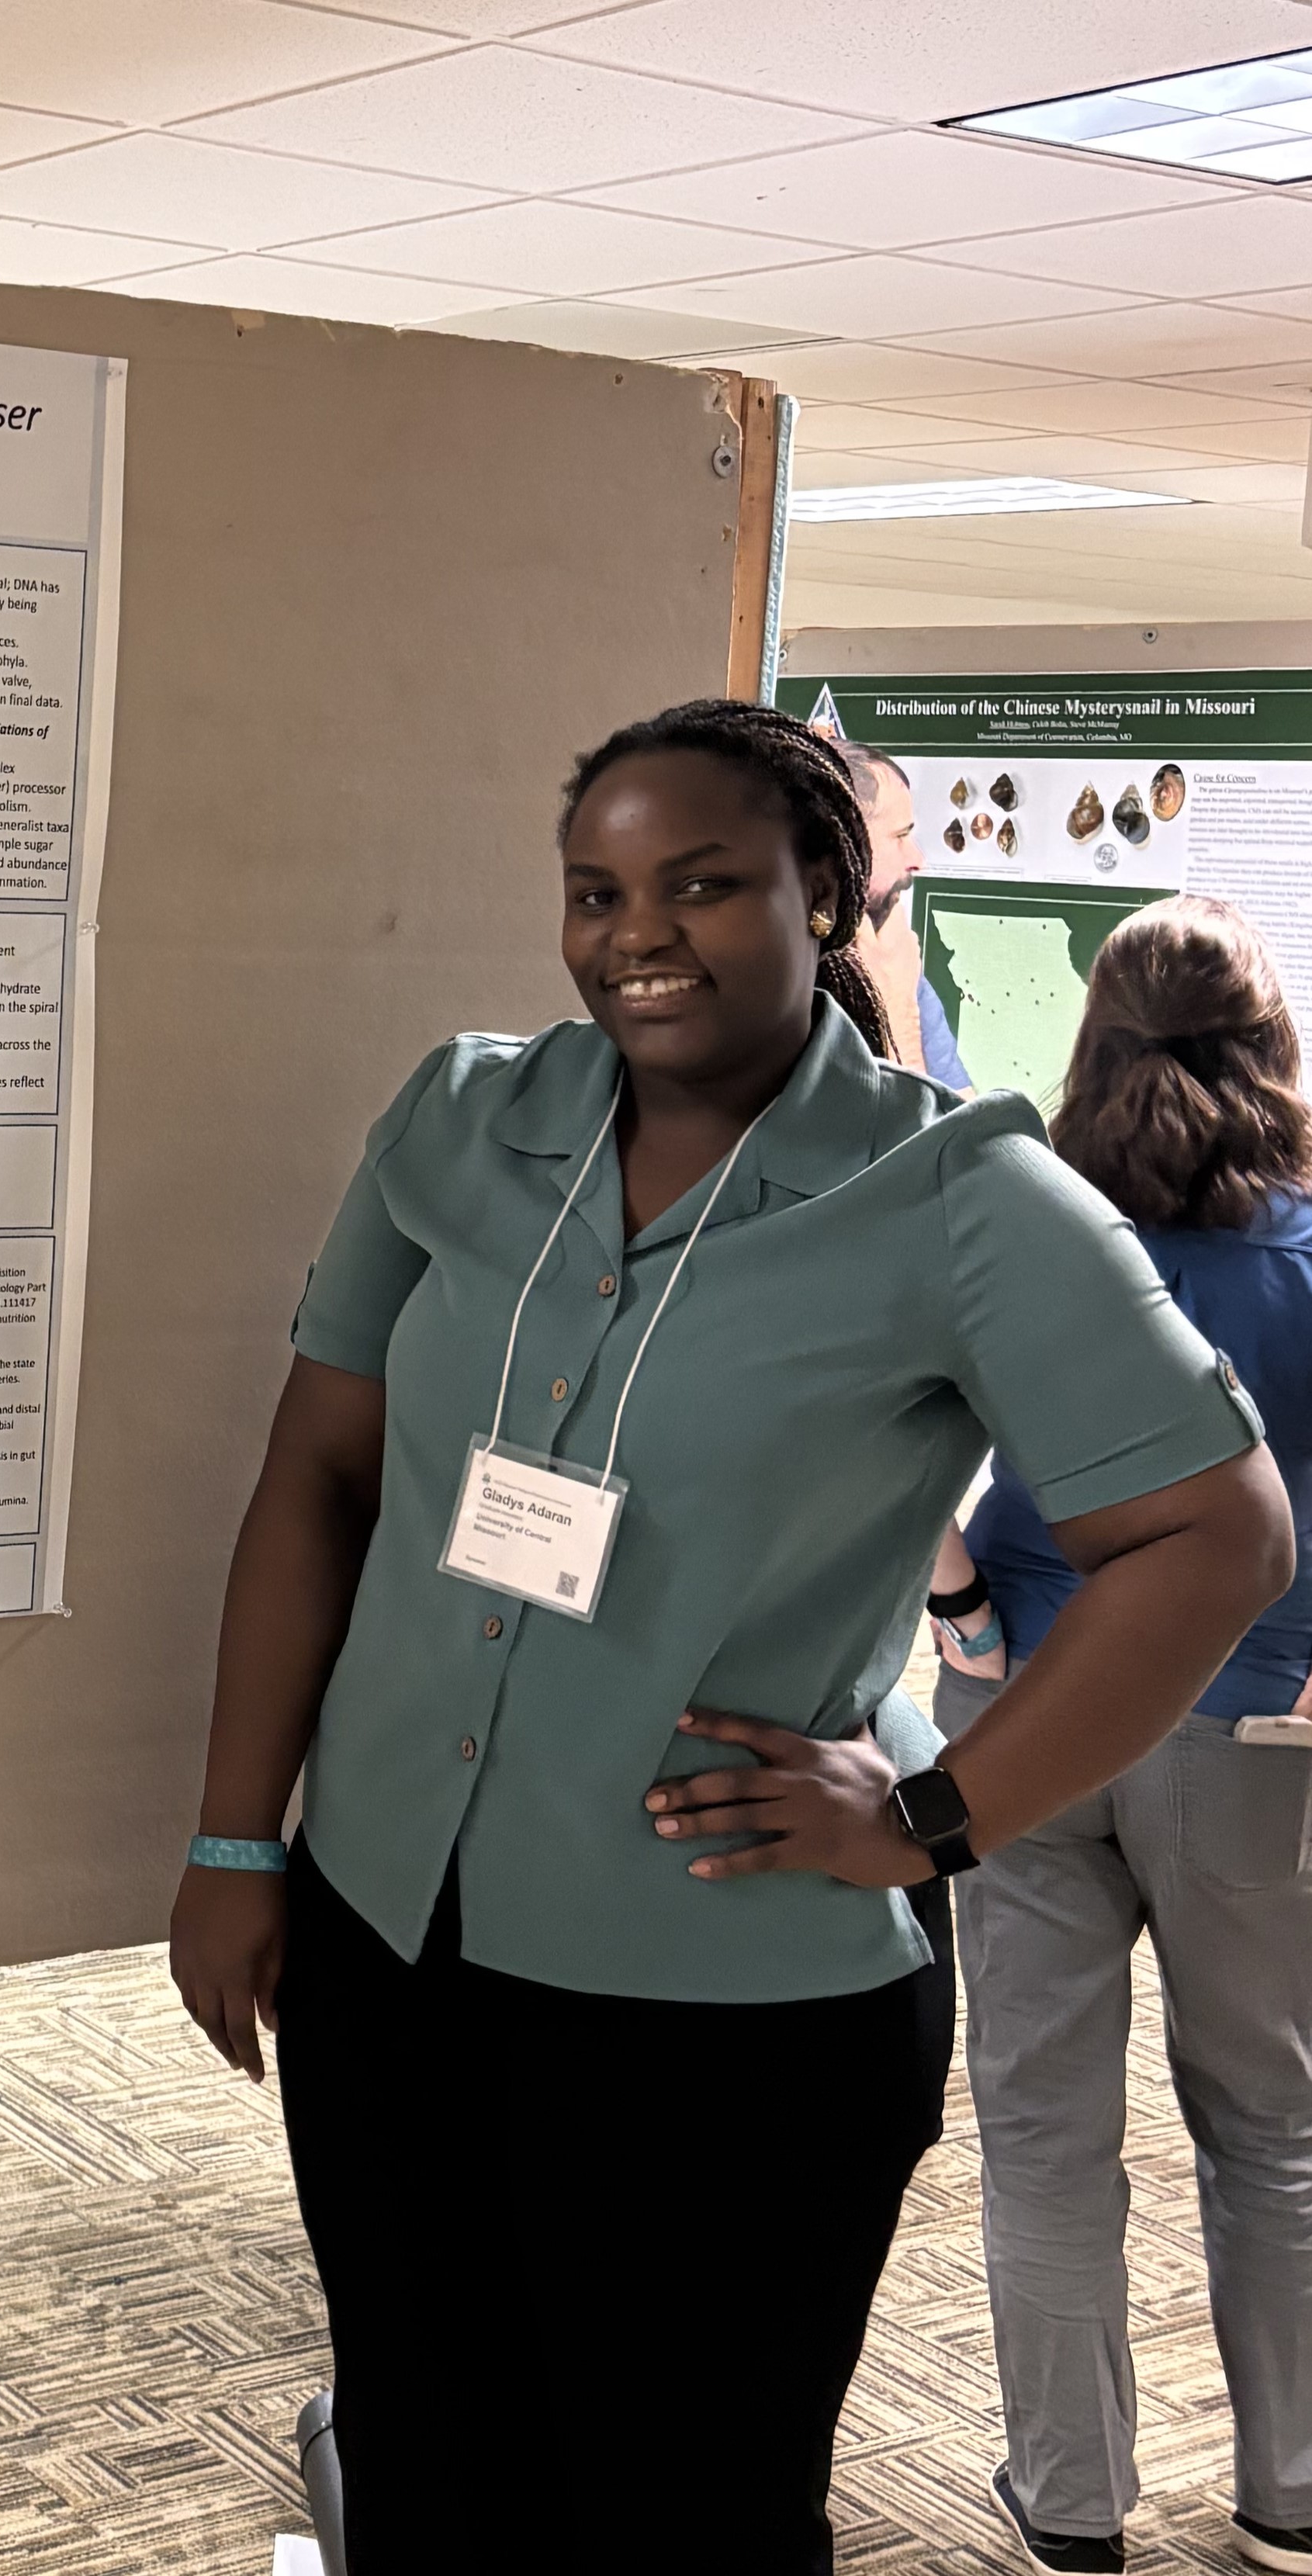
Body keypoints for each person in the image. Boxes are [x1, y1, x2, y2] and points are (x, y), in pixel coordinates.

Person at [168, 698, 1293, 2574]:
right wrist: (230, 1837)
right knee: (423, 2462)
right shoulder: (460, 1120)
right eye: (593, 891)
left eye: (698, 885)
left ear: (822, 895)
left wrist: (935, 1816)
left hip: (716, 2004)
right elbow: (313, 1477)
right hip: (388, 1940)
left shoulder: (951, 1195)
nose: (636, 935)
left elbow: (1214, 1533)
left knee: (678, 2509)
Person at [926, 896, 1312, 2576]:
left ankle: (1071, 2501)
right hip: (1252, 1719)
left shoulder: (1032, 1224)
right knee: (1270, 2121)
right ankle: (1294, 2491)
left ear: (1092, 1037)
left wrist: (958, 1613)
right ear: (1272, 1043)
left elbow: (906, 1445)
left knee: (1042, 2126)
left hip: (1024, 1707)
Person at [837, 737, 973, 1089]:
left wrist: (902, 996)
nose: (917, 859)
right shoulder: (777, 983)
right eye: (900, 836)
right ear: (841, 846)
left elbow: (964, 1115)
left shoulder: (896, 960)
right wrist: (898, 1014)